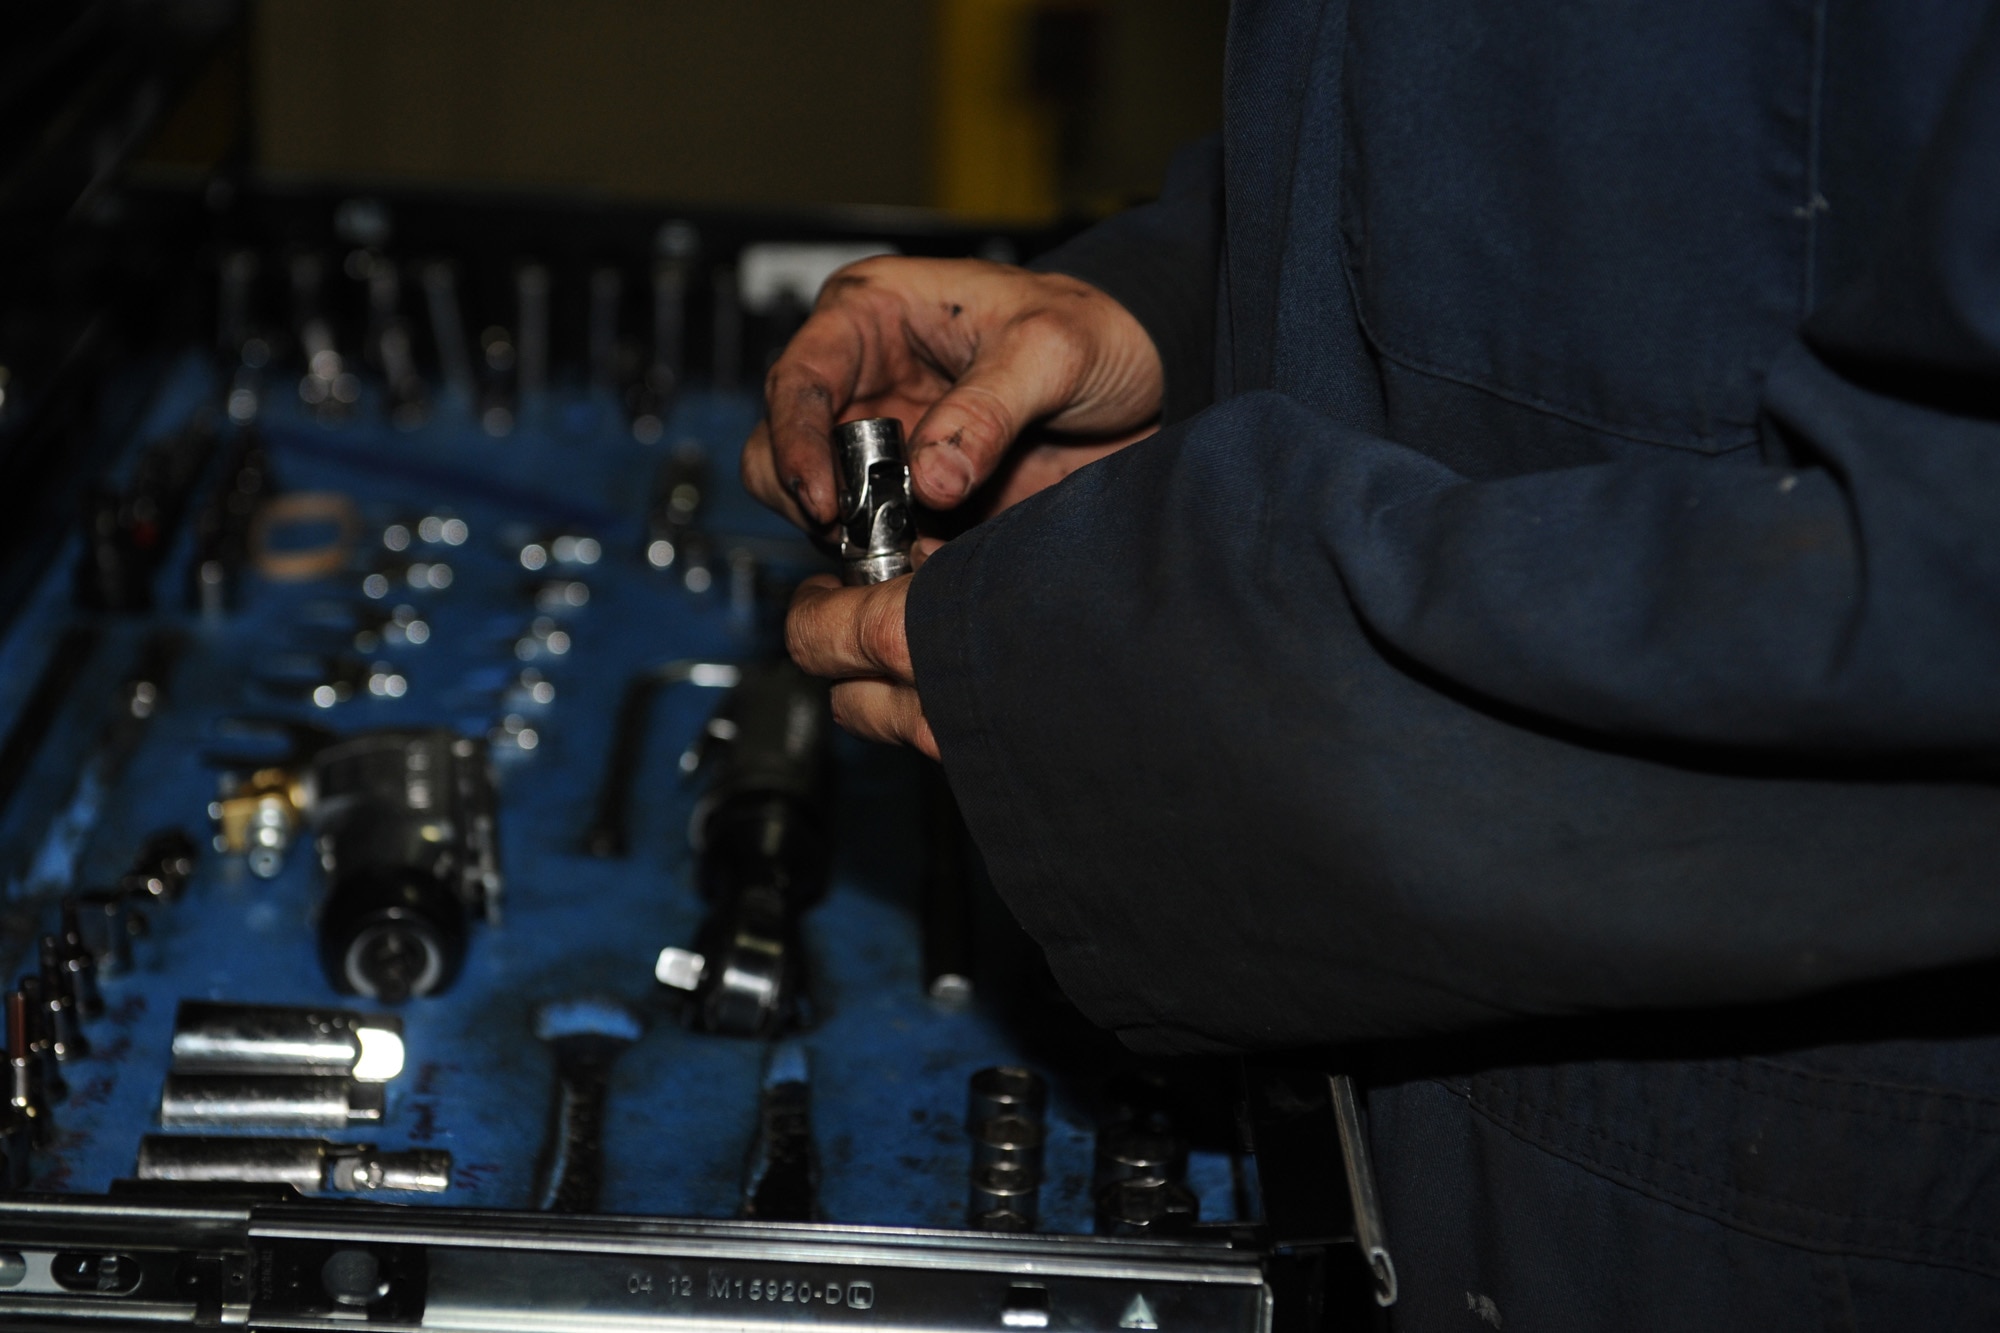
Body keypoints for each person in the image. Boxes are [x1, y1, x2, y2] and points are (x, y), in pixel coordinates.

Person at [747, 2, 2000, 1326]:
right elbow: (1550, 134)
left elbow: (1946, 584)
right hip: (1437, 1112)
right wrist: (1178, 315)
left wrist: (1212, 671)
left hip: (1783, 1213)